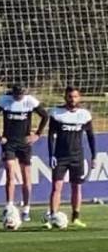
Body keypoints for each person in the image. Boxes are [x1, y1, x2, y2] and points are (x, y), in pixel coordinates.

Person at [0, 84, 48, 221]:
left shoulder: (30, 101)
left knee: (26, 175)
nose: (18, 97)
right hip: (9, 142)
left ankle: (26, 208)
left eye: (21, 94)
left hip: (24, 143)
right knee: (10, 172)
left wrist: (37, 134)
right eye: (16, 95)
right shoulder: (4, 101)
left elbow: (44, 116)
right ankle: (9, 206)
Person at [46, 85, 96, 229]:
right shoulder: (57, 113)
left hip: (77, 157)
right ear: (65, 97)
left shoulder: (84, 115)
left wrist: (94, 156)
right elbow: (51, 136)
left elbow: (91, 136)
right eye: (70, 97)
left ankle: (76, 217)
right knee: (56, 187)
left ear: (79, 97)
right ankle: (53, 216)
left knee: (77, 187)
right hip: (60, 157)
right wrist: (51, 155)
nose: (72, 99)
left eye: (75, 97)